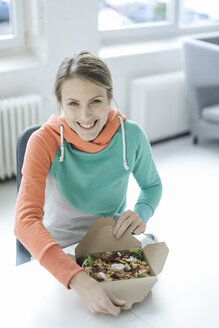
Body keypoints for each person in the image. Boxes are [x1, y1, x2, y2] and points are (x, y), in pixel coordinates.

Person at [14, 51, 162, 316]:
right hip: (60, 249)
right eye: (72, 104)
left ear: (109, 96)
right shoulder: (43, 141)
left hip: (112, 243)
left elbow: (152, 186)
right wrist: (78, 279)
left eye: (95, 101)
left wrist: (141, 212)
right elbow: (25, 221)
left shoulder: (132, 136)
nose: (85, 116)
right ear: (59, 102)